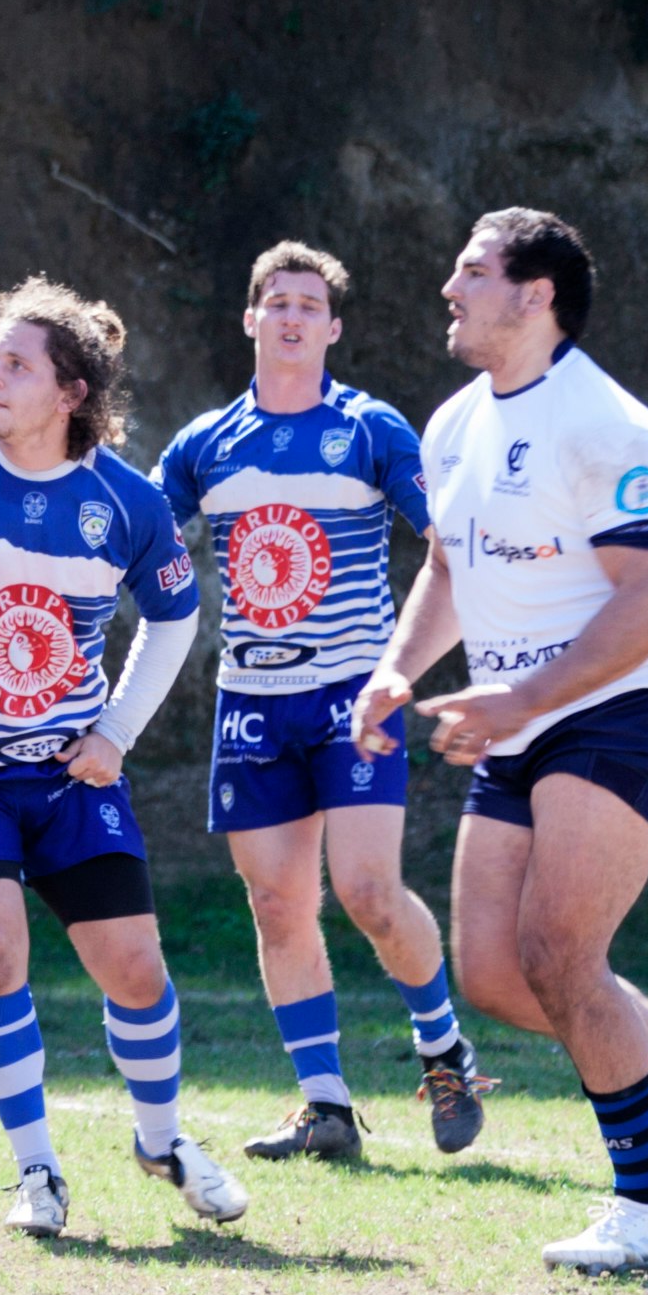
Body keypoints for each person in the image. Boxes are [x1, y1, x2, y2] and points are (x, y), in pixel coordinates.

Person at [358, 208, 648, 1273]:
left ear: (536, 293)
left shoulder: (610, 426)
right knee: (500, 978)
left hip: (626, 707)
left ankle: (647, 1215)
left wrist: (520, 699)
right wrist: (398, 666)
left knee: (562, 953)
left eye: (471, 270)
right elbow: (449, 571)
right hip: (524, 715)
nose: (449, 289)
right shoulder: (454, 423)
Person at [0, 279, 245, 1242]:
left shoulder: (126, 498)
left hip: (71, 783)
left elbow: (177, 615)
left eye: (17, 364)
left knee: (138, 972)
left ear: (72, 392)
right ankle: (37, 1172)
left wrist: (114, 734)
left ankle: (163, 1143)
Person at [148, 244, 482, 1162]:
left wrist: (436, 664)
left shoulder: (371, 429)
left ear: (333, 329)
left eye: (310, 305)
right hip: (251, 701)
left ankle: (444, 1049)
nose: (292, 317)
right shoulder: (203, 446)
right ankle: (326, 1106)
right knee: (276, 903)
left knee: (368, 892)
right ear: (250, 319)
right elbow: (138, 541)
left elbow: (451, 546)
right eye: (277, 302)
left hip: (352, 695)